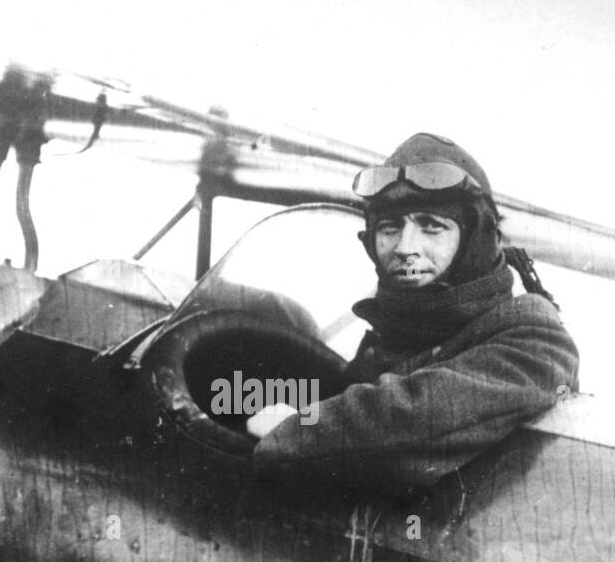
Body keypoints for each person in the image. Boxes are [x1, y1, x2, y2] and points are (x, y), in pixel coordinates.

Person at [246, 132, 579, 494]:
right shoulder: (403, 328)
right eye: (390, 227)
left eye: (432, 226)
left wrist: (296, 428)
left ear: (474, 239)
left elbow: (426, 411)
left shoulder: (535, 338)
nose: (406, 248)